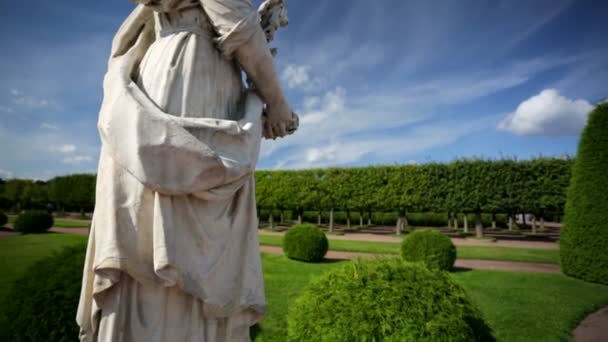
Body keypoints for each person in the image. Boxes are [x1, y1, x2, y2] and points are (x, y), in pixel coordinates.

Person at [77, 1, 297, 341]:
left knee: (148, 221)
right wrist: (277, 102)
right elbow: (238, 27)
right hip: (194, 76)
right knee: (176, 219)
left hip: (161, 75)